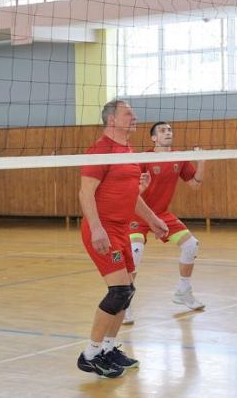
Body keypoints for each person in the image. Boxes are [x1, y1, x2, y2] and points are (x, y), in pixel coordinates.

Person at [77, 99, 168, 378]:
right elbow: (85, 193)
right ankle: (90, 355)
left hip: (121, 229)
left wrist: (153, 220)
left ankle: (108, 348)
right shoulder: (100, 150)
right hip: (102, 228)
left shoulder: (128, 151)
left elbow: (131, 197)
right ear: (112, 120)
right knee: (118, 291)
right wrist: (97, 229)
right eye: (128, 114)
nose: (134, 117)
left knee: (127, 292)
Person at [124, 121, 207, 325]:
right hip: (138, 214)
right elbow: (130, 192)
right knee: (134, 253)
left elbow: (195, 185)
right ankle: (124, 303)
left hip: (161, 213)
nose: (168, 132)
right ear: (153, 138)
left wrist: (202, 162)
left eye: (169, 130)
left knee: (191, 245)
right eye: (162, 130)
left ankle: (183, 291)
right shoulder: (144, 158)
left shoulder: (178, 157)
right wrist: (141, 189)